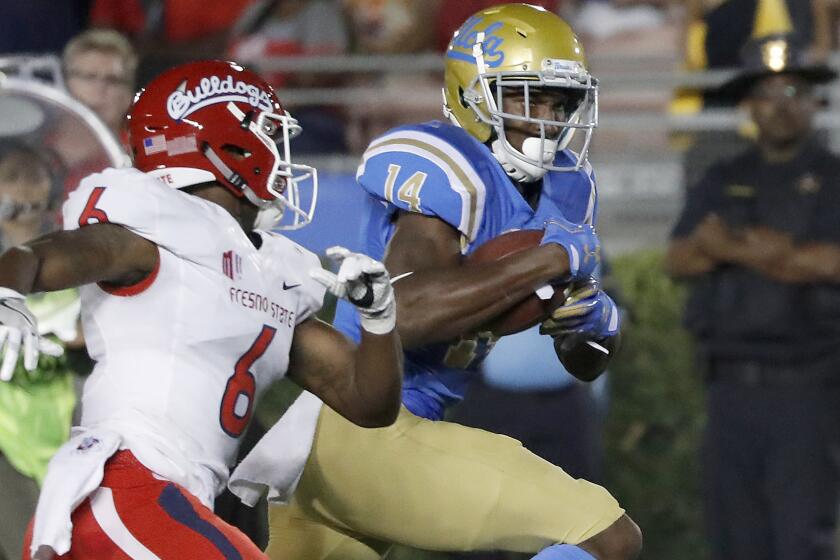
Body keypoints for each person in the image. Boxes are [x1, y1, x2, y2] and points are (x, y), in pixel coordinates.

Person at [232, 5, 642, 560]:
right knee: (605, 536)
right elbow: (402, 311)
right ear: (474, 95)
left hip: (339, 441)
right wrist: (550, 259)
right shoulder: (452, 170)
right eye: (526, 98)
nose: (545, 117)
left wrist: (591, 323)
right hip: (369, 430)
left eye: (557, 100)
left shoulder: (567, 188)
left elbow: (585, 362)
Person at [4, 59, 403, 559]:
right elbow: (39, 257)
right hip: (121, 487)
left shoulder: (274, 272)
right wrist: (8, 293)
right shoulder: (153, 231)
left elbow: (368, 403)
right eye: (269, 134)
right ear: (228, 143)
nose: (282, 154)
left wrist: (379, 317)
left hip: (171, 503)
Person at [665, 34, 840, 560]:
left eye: (793, 91)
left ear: (814, 101)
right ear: (748, 104)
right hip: (729, 391)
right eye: (767, 93)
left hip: (807, 389)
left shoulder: (834, 179)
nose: (780, 106)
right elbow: (680, 258)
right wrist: (778, 255)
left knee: (800, 537)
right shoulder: (721, 177)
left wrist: (733, 249)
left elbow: (831, 263)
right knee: (735, 540)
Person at [0, 144, 74, 560]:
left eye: (35, 175)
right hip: (4, 439)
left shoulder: (80, 253)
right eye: (12, 176)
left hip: (75, 429)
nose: (26, 188)